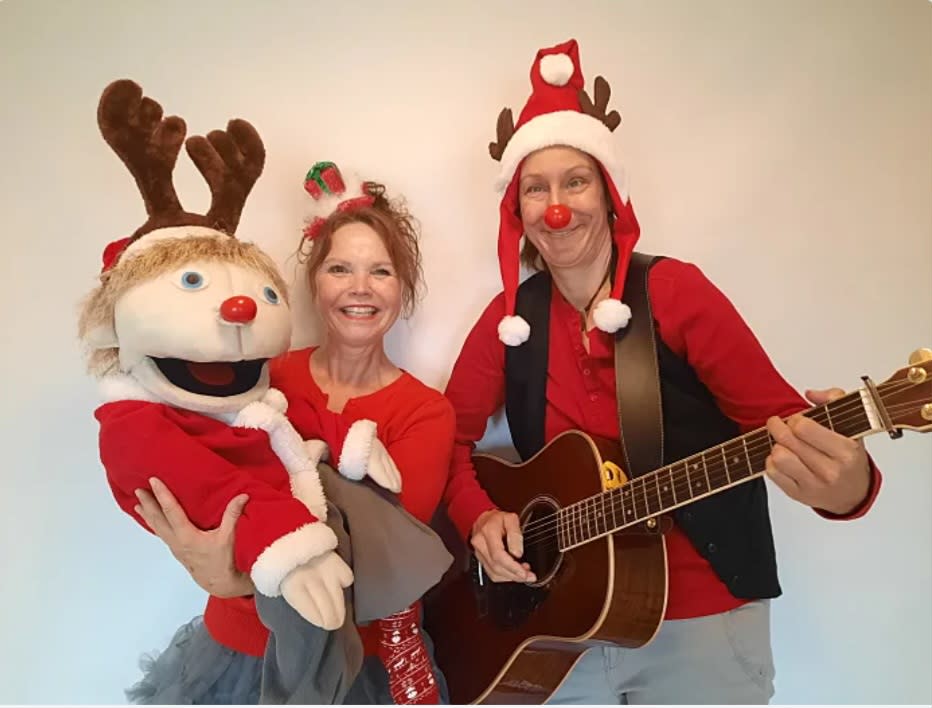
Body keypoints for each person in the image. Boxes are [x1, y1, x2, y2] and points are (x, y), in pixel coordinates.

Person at [439, 39, 882, 704]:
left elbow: (785, 426)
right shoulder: (509, 321)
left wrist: (848, 486)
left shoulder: (677, 294)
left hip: (703, 626)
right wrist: (478, 518)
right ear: (518, 212)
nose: (557, 206)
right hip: (562, 627)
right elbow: (446, 439)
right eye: (536, 188)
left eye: (576, 181)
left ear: (609, 194)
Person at [132, 163, 456, 705]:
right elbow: (196, 478)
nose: (359, 288)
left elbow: (381, 562)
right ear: (313, 281)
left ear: (402, 287)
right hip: (236, 649)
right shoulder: (262, 377)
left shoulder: (426, 412)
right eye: (339, 268)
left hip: (350, 666)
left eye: (380, 271)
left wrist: (232, 576)